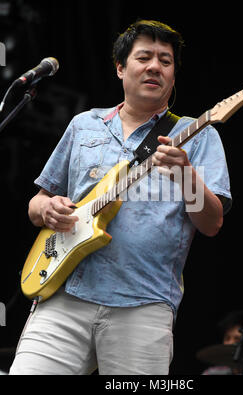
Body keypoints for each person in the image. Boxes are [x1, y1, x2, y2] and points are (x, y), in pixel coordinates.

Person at [10, 19, 231, 375]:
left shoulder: (198, 135)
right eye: (144, 57)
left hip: (143, 306)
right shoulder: (84, 124)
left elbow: (212, 224)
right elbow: (37, 202)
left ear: (173, 76)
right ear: (120, 67)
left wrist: (186, 175)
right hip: (64, 297)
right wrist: (47, 209)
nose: (155, 66)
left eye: (166, 60)